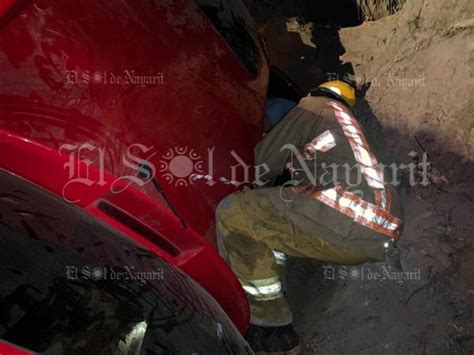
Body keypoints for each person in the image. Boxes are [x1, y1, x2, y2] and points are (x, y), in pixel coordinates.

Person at [216, 81, 404, 354]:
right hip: (376, 230)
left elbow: (261, 164)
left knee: (233, 213)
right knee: (267, 224)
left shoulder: (315, 107)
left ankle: (272, 332)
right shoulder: (349, 127)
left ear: (317, 91)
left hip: (350, 217)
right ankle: (274, 307)